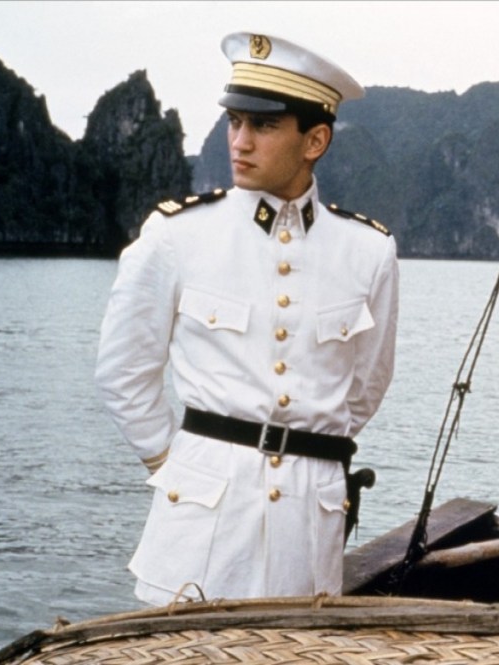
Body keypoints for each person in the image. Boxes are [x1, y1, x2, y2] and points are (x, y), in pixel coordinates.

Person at [95, 32, 399, 605]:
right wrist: (180, 464)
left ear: (315, 140)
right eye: (235, 122)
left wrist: (308, 448)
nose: (240, 141)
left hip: (308, 530)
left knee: (296, 646)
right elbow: (123, 372)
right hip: (199, 525)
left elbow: (366, 384)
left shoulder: (368, 252)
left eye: (263, 125)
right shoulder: (178, 235)